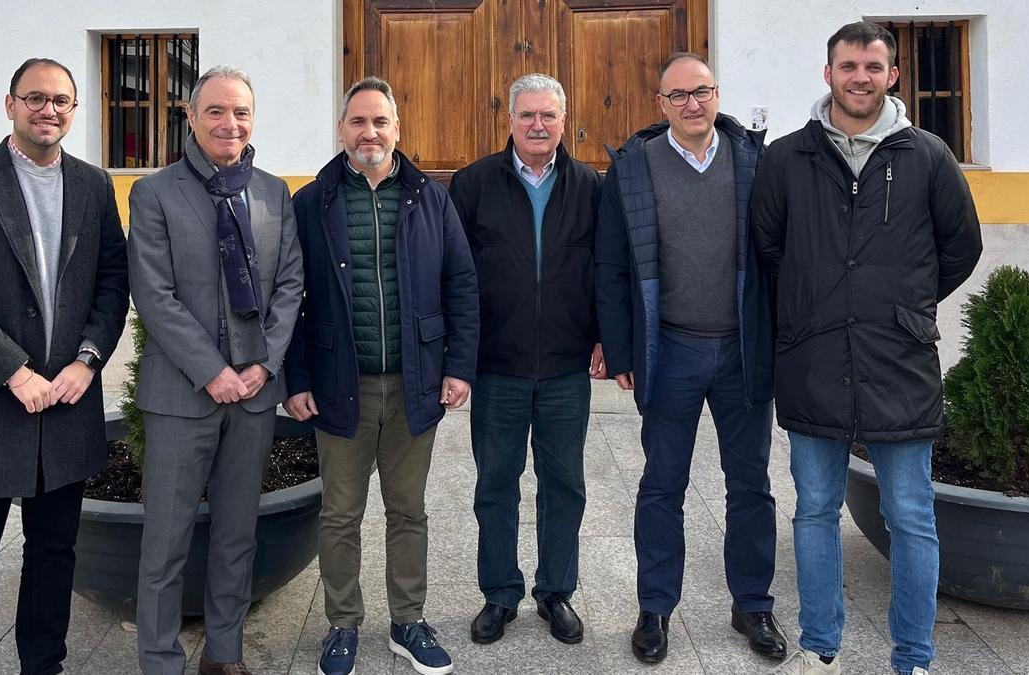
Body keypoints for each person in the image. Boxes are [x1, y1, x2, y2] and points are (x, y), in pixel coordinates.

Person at [751, 22, 983, 675]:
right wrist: (812, 304)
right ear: (828, 73)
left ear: (893, 76)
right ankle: (821, 643)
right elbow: (768, 247)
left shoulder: (928, 155)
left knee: (910, 513)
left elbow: (961, 245)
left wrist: (906, 305)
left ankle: (913, 654)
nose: (860, 77)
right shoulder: (786, 158)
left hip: (899, 360)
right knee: (814, 510)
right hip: (813, 357)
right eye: (848, 66)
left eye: (873, 67)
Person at [0, 57, 129, 674]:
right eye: (35, 98)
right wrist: (14, 370)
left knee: (53, 552)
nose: (49, 110)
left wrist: (88, 361)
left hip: (65, 399)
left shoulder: (93, 186)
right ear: (10, 104)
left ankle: (44, 664)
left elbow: (112, 282)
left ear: (74, 110)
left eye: (61, 100)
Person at [283, 76, 479, 675]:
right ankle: (342, 624)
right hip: (340, 384)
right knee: (340, 513)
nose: (369, 133)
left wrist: (458, 366)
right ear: (342, 129)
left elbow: (461, 283)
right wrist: (296, 378)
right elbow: (288, 298)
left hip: (415, 382)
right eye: (359, 122)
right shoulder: (312, 202)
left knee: (408, 510)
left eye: (380, 122)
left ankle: (407, 622)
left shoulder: (430, 197)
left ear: (397, 128)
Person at [595, 52, 786, 665]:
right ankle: (655, 608)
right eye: (677, 95)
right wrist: (621, 350)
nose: (691, 104)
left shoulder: (754, 161)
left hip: (742, 349)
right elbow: (611, 265)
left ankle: (753, 604)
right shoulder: (634, 167)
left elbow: (782, 255)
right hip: (670, 348)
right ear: (661, 104)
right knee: (661, 485)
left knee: (751, 484)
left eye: (700, 91)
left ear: (717, 94)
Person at [128, 65, 304, 675]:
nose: (231, 123)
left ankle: (223, 654)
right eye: (216, 111)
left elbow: (290, 285)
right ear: (191, 116)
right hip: (181, 397)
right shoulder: (155, 193)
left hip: (253, 397)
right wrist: (211, 370)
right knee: (165, 541)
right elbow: (153, 294)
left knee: (237, 535)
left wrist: (263, 365)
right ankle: (160, 660)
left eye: (241, 112)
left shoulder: (275, 193)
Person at [448, 72, 604, 646]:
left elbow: (606, 270)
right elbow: (454, 276)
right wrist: (457, 355)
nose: (538, 125)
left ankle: (556, 591)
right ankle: (499, 593)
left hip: (565, 367)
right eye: (527, 115)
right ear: (509, 120)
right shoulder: (472, 184)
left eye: (548, 115)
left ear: (564, 121)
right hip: (497, 366)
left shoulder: (590, 186)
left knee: (564, 483)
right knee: (495, 484)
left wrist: (605, 337)